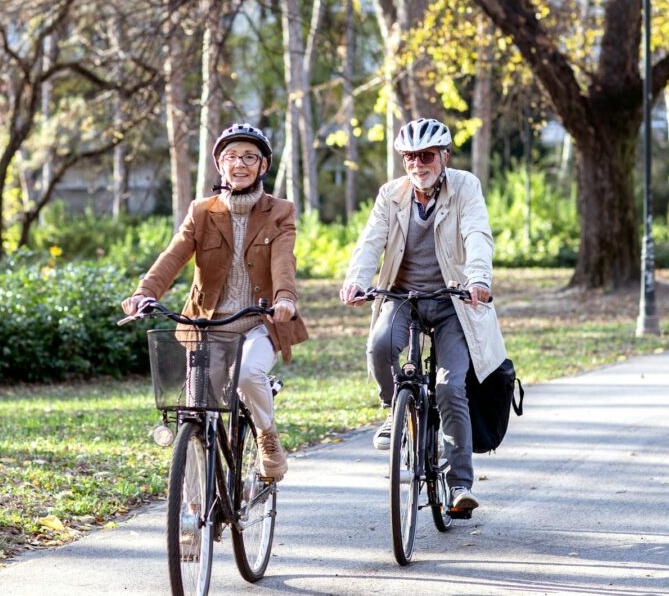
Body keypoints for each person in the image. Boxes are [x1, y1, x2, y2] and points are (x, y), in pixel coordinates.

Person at [121, 123, 309, 480]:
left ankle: (268, 437)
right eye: (231, 157)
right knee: (194, 413)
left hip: (258, 323)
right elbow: (173, 256)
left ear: (263, 166)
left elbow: (284, 261)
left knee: (251, 374)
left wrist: (285, 298)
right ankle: (193, 515)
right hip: (205, 328)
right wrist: (145, 292)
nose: (240, 164)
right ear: (220, 164)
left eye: (250, 157)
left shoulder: (280, 211)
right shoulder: (202, 211)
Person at [339, 118, 506, 509]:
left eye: (426, 156)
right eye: (410, 157)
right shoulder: (391, 195)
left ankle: (460, 485)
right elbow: (370, 241)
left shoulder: (465, 186)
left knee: (450, 387)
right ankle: (393, 411)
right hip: (403, 297)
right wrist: (356, 280)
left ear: (444, 156)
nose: (418, 164)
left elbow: (476, 234)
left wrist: (479, 279)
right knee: (380, 346)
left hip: (454, 301)